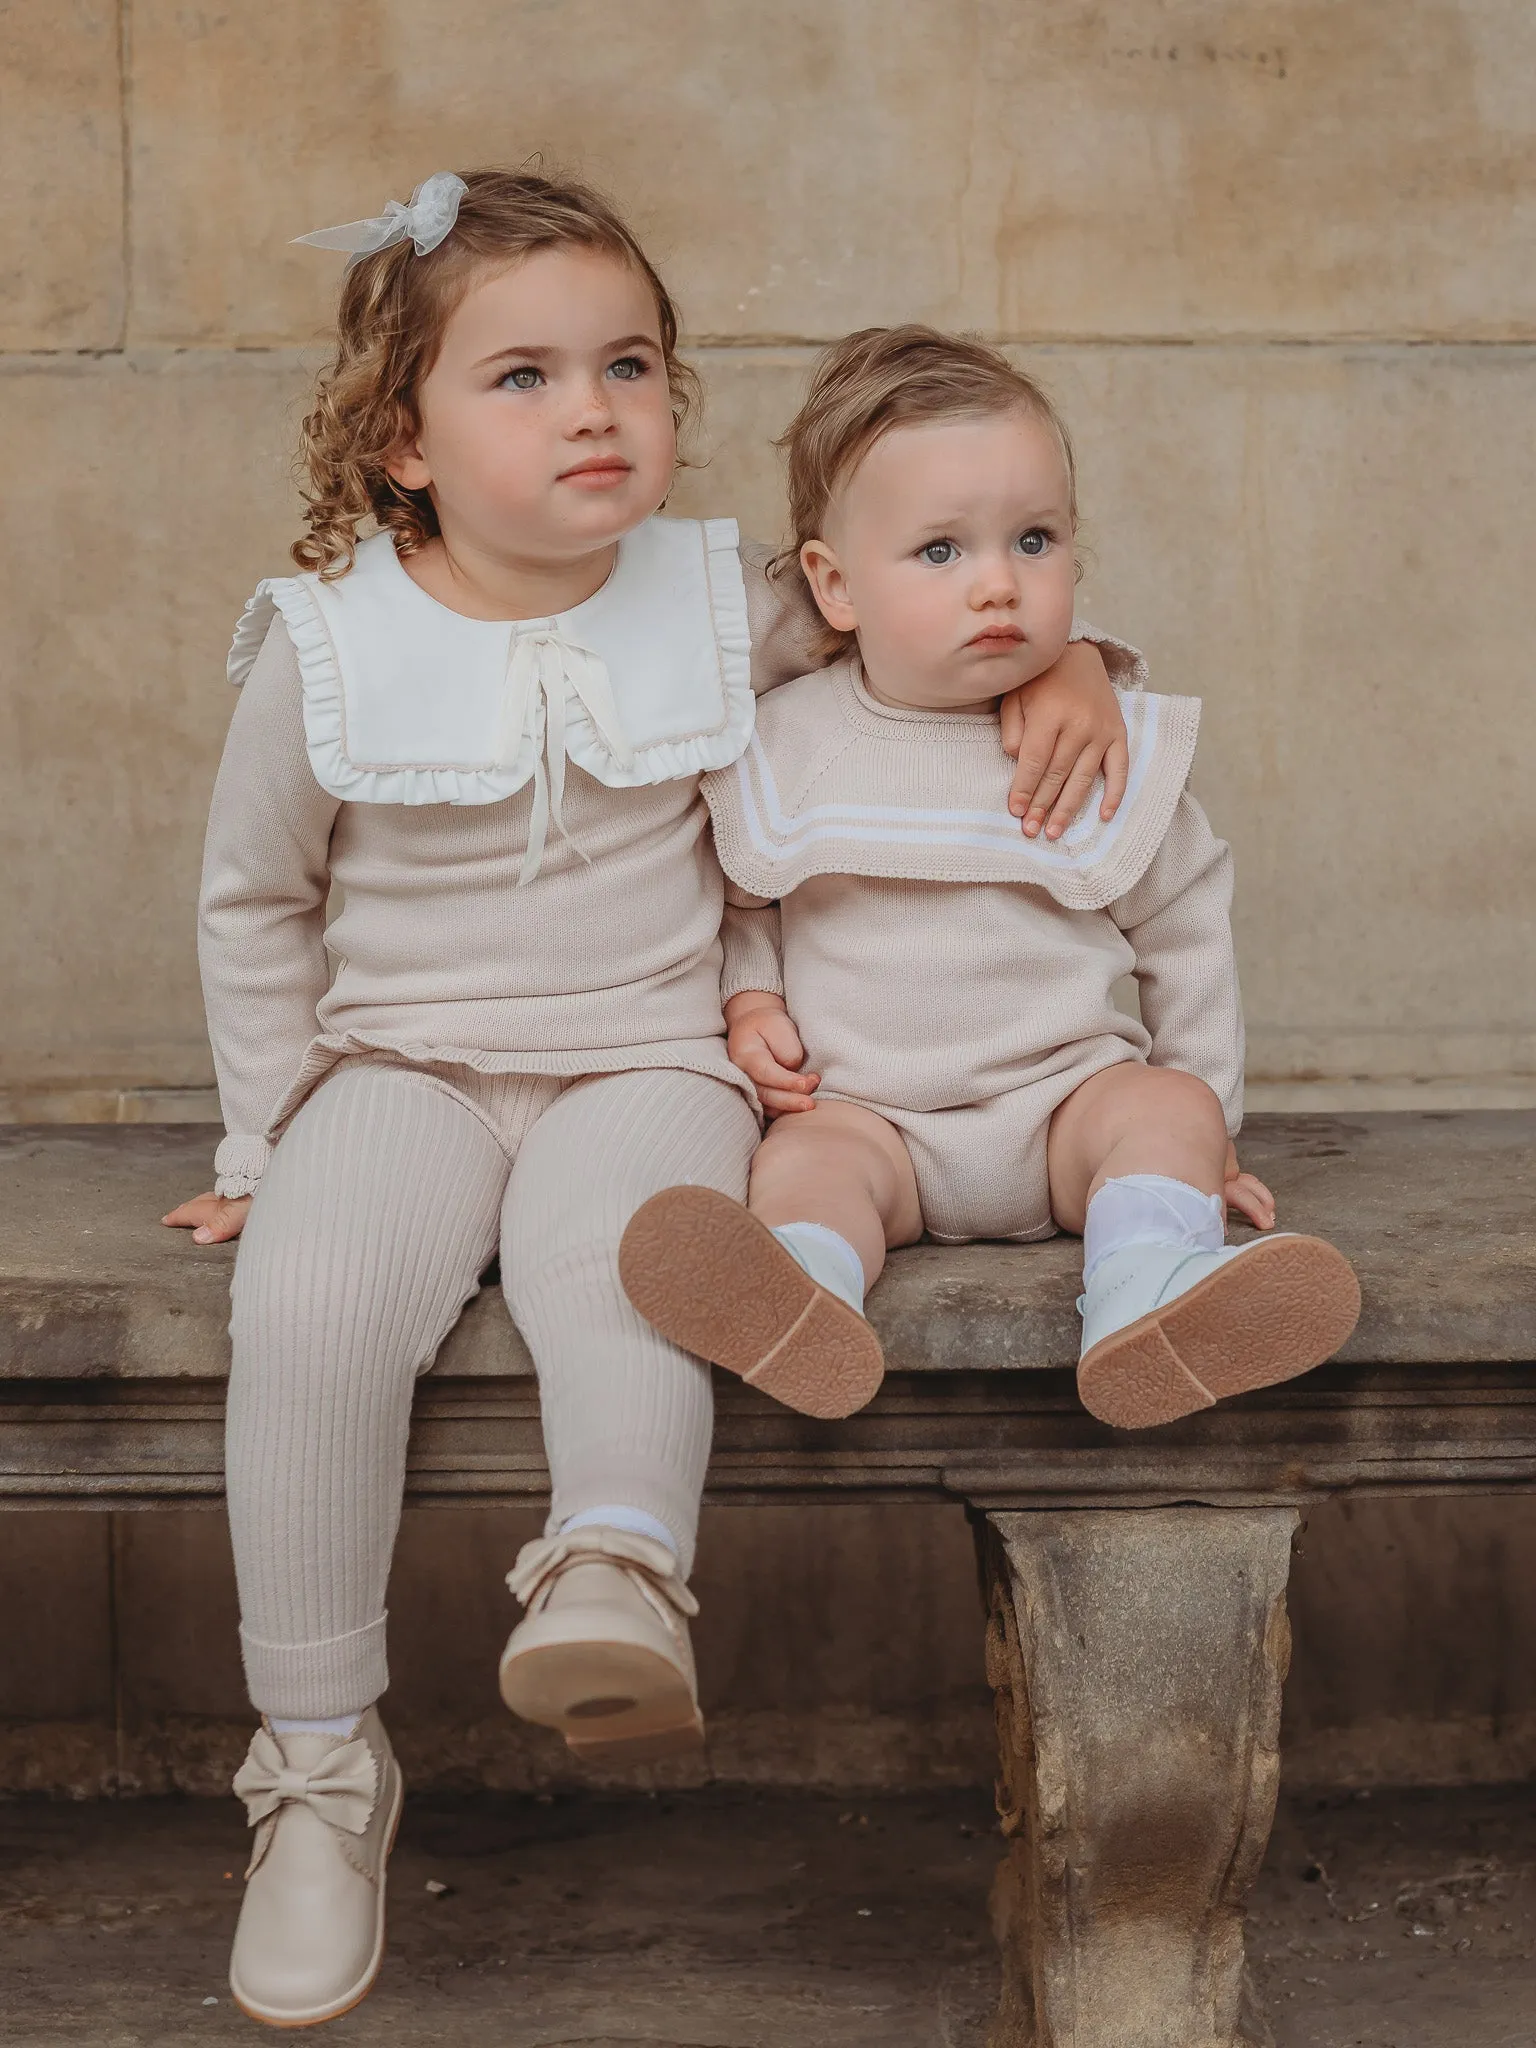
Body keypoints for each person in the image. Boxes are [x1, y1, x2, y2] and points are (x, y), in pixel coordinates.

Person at [160, 178, 1133, 2027]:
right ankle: (314, 1764)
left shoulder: (714, 598)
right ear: (402, 441)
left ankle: (613, 1566)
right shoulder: (325, 646)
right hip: (404, 1062)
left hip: (649, 1053)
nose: (592, 408)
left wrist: (1076, 655)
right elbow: (256, 902)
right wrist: (259, 1141)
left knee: (634, 1264)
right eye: (521, 375)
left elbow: (933, 607)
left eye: (627, 364)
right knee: (305, 1309)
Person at [621, 325, 1361, 1431]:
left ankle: (1147, 1290)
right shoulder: (790, 740)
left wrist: (1207, 1125)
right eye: (940, 552)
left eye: (1034, 538)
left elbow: (1185, 925)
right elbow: (744, 895)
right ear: (834, 585)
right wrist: (752, 994)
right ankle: (802, 1294)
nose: (998, 585)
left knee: (1160, 1106)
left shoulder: (1091, 742)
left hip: (1064, 1107)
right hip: (871, 1119)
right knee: (803, 1164)